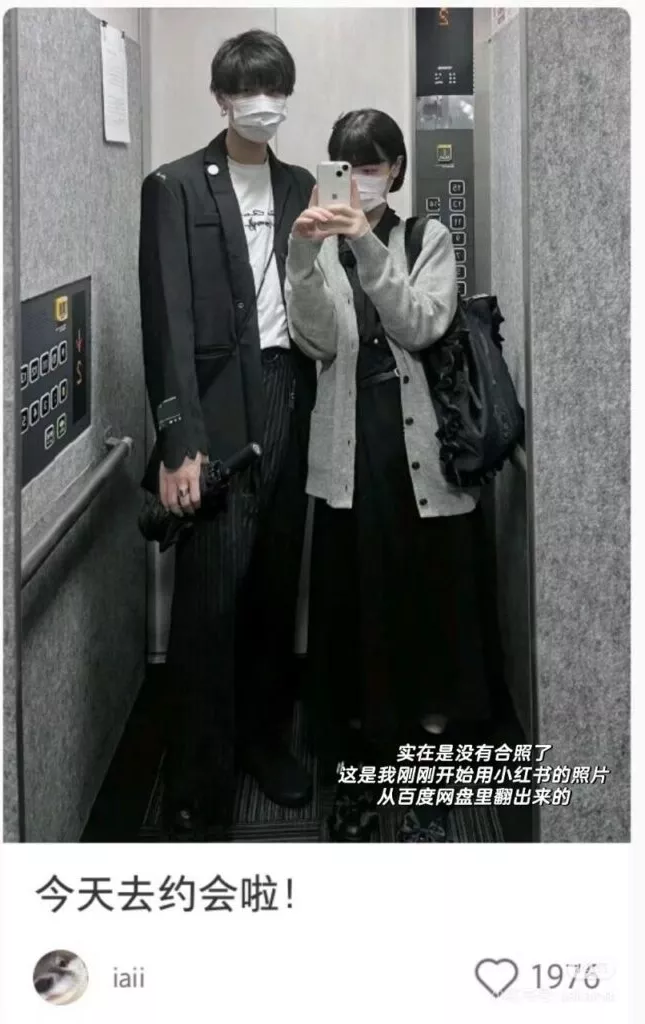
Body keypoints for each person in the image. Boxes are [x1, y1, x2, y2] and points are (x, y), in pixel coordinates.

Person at [285, 109, 493, 842]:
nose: (361, 180)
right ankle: (362, 774)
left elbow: (419, 324)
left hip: (421, 455)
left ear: (396, 169)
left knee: (426, 612)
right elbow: (314, 340)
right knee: (355, 614)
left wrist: (367, 245)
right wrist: (302, 257)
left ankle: (426, 782)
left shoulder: (424, 237)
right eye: (348, 166)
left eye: (372, 166)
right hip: (350, 452)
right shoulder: (320, 246)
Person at [139, 30, 317, 840]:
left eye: (274, 88)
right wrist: (178, 441)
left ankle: (264, 743)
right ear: (221, 98)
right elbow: (167, 320)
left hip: (289, 390)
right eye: (247, 89)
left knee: (275, 581)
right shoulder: (175, 185)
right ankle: (196, 787)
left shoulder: (301, 184)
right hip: (214, 408)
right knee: (210, 598)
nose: (262, 103)